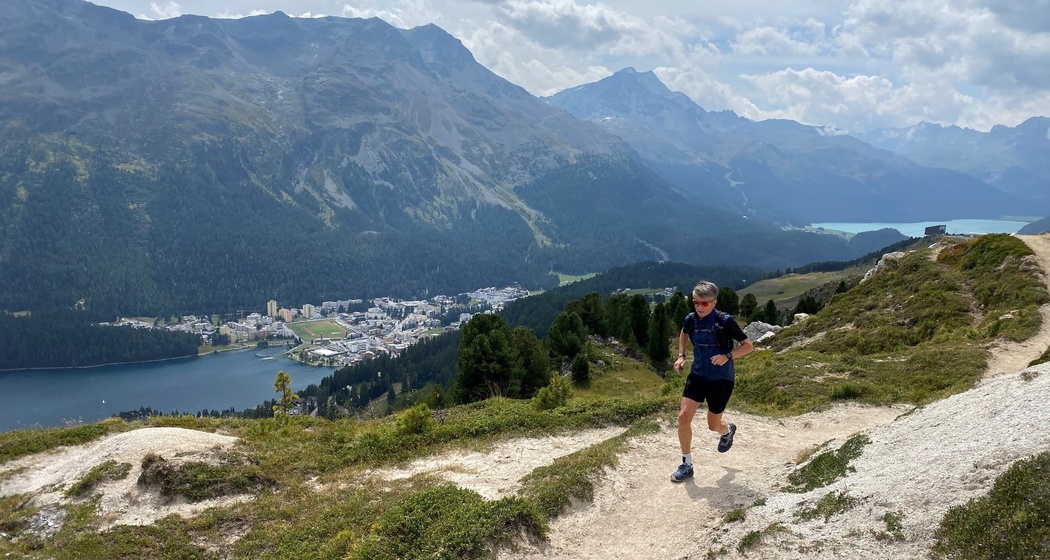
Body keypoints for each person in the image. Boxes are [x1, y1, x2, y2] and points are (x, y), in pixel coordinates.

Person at [670, 281, 754, 483]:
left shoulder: (725, 321)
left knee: (713, 425)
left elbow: (748, 346)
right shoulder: (690, 319)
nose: (699, 307)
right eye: (696, 302)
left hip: (721, 379)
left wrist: (728, 356)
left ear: (714, 302)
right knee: (683, 417)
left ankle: (727, 430)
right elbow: (684, 332)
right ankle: (686, 464)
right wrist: (681, 355)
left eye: (704, 304)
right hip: (698, 374)